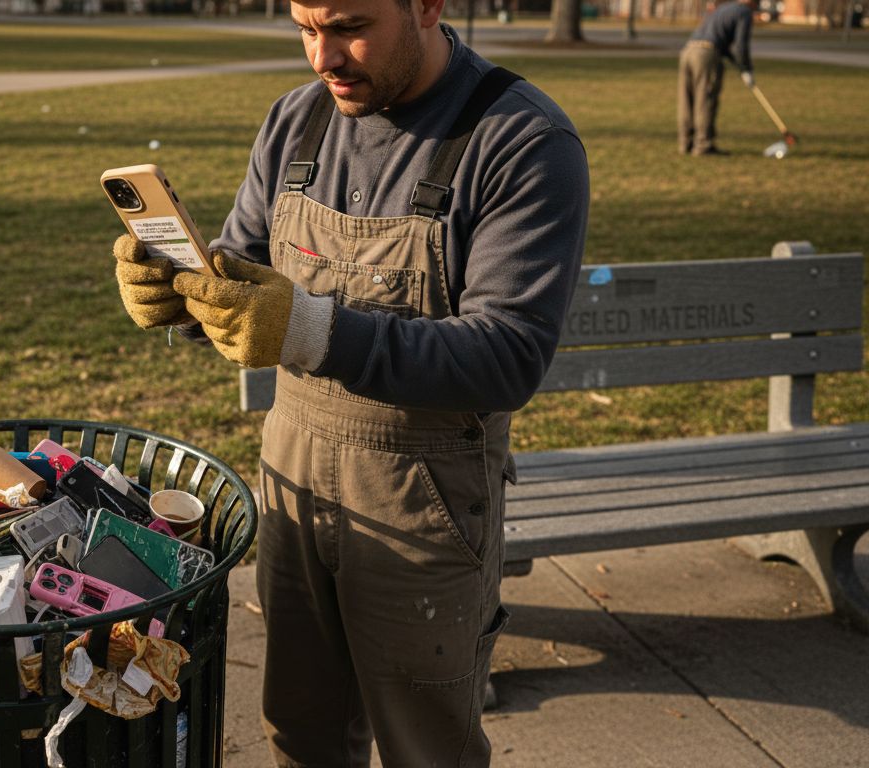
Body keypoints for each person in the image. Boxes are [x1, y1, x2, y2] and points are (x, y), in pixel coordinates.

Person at [111, 0, 589, 762]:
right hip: (293, 477)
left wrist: (305, 328)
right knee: (301, 734)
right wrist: (184, 300)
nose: (322, 57)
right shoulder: (296, 121)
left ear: (428, 6)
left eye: (347, 26)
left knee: (425, 747)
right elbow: (243, 273)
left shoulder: (522, 140)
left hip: (424, 498)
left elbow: (508, 356)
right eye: (305, 27)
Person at [679, 0, 757, 156]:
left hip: (688, 51)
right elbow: (741, 45)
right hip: (706, 54)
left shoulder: (724, 8)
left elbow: (721, 42)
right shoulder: (745, 13)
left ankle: (685, 143)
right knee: (705, 99)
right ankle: (703, 145)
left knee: (687, 100)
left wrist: (738, 65)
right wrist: (746, 69)